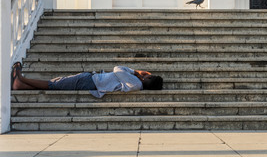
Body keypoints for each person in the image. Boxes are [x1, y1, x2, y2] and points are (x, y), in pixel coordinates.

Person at [11, 62, 163, 98]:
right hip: (92, 80)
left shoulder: (135, 82)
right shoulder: (136, 84)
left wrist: (137, 72)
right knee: (57, 83)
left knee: (54, 84)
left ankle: (21, 79)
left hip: (91, 81)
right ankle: (19, 85)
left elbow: (118, 68)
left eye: (148, 75)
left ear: (147, 78)